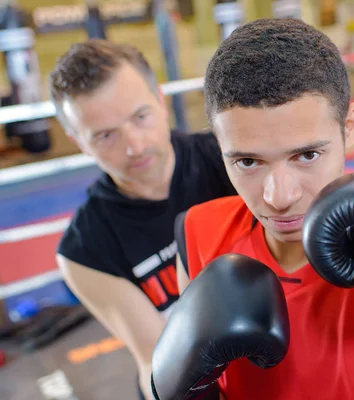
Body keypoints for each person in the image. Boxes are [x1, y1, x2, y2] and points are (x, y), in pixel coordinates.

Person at [151, 18, 354, 399]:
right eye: (247, 162)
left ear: (349, 125)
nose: (279, 196)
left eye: (307, 155)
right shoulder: (199, 233)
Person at [49, 40, 236, 399]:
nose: (133, 146)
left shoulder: (229, 159)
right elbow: (154, 358)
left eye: (140, 117)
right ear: (80, 143)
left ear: (160, 101)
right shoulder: (84, 249)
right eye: (105, 136)